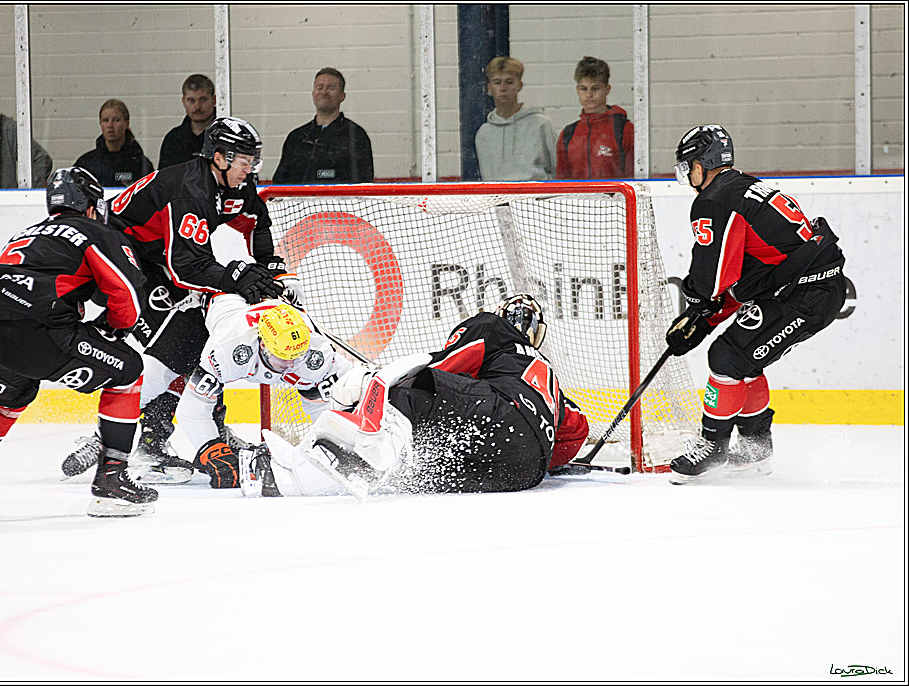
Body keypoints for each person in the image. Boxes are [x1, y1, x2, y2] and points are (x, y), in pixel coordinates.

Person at [59, 116, 290, 480]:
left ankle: (187, 429)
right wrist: (236, 275)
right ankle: (131, 442)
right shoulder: (191, 191)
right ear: (219, 158)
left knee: (194, 340)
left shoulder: (236, 181)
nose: (251, 168)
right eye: (244, 161)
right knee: (179, 345)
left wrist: (271, 271)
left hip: (155, 261)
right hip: (122, 260)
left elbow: (257, 220)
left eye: (252, 160)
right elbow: (187, 268)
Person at [0, 167, 157, 519]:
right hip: (35, 335)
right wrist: (113, 328)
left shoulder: (30, 233)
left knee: (11, 394)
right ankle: (112, 480)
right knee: (128, 369)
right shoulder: (93, 231)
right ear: (88, 205)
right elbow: (127, 295)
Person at [249, 294, 591, 497]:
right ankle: (359, 466)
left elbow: (445, 366)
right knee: (418, 471)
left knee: (408, 397)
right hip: (522, 474)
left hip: (501, 413)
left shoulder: (492, 327)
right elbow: (576, 432)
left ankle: (287, 478)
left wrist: (383, 381)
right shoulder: (549, 377)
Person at [665, 125, 846, 484]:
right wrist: (706, 317)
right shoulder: (745, 186)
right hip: (809, 288)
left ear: (703, 164)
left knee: (728, 357)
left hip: (805, 294)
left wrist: (698, 306)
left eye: (688, 166)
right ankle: (754, 450)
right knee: (742, 357)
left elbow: (712, 278)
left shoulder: (715, 200)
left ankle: (713, 446)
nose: (687, 175)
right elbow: (751, 274)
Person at [145, 296, 353, 487]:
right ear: (262, 344)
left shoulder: (318, 353)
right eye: (282, 357)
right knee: (154, 378)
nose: (290, 365)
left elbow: (333, 408)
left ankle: (219, 433)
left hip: (259, 297)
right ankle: (142, 444)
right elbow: (193, 409)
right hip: (208, 309)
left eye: (296, 358)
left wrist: (340, 444)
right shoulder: (227, 348)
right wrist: (211, 450)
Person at [272, 67, 374, 184]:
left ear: (342, 96)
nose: (324, 92)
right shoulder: (296, 138)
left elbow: (363, 182)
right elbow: (280, 182)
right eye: (319, 87)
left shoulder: (356, 136)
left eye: (330, 88)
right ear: (313, 94)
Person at [474, 57, 556, 181]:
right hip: (497, 198)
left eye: (509, 82)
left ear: (519, 85)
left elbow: (557, 169)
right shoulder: (483, 133)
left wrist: (536, 174)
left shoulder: (541, 124)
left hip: (536, 197)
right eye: (497, 82)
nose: (503, 88)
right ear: (489, 88)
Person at [555, 56, 634, 180]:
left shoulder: (624, 130)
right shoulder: (568, 135)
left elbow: (634, 179)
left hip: (615, 199)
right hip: (576, 199)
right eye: (583, 88)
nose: (589, 94)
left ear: (607, 89)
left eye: (595, 88)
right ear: (577, 90)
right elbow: (561, 183)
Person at [74, 98, 154, 187]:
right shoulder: (86, 163)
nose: (110, 125)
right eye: (105, 120)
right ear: (100, 124)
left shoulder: (141, 164)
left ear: (126, 124)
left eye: (116, 120)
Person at [158, 74, 217, 169]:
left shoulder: (225, 136)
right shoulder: (173, 140)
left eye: (203, 100)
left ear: (214, 100)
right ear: (183, 101)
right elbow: (165, 180)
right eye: (191, 100)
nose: (197, 106)